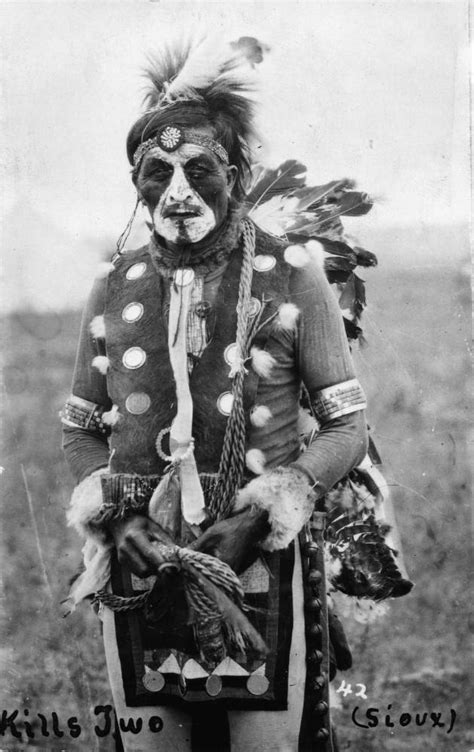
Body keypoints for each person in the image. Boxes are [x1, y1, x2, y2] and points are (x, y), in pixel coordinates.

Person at [62, 39, 372, 752]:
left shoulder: (290, 275)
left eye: (198, 170)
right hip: (141, 563)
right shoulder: (113, 287)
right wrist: (114, 521)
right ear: (135, 182)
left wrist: (266, 513)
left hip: (260, 556)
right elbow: (80, 430)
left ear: (234, 174)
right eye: (155, 174)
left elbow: (346, 426)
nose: (176, 193)